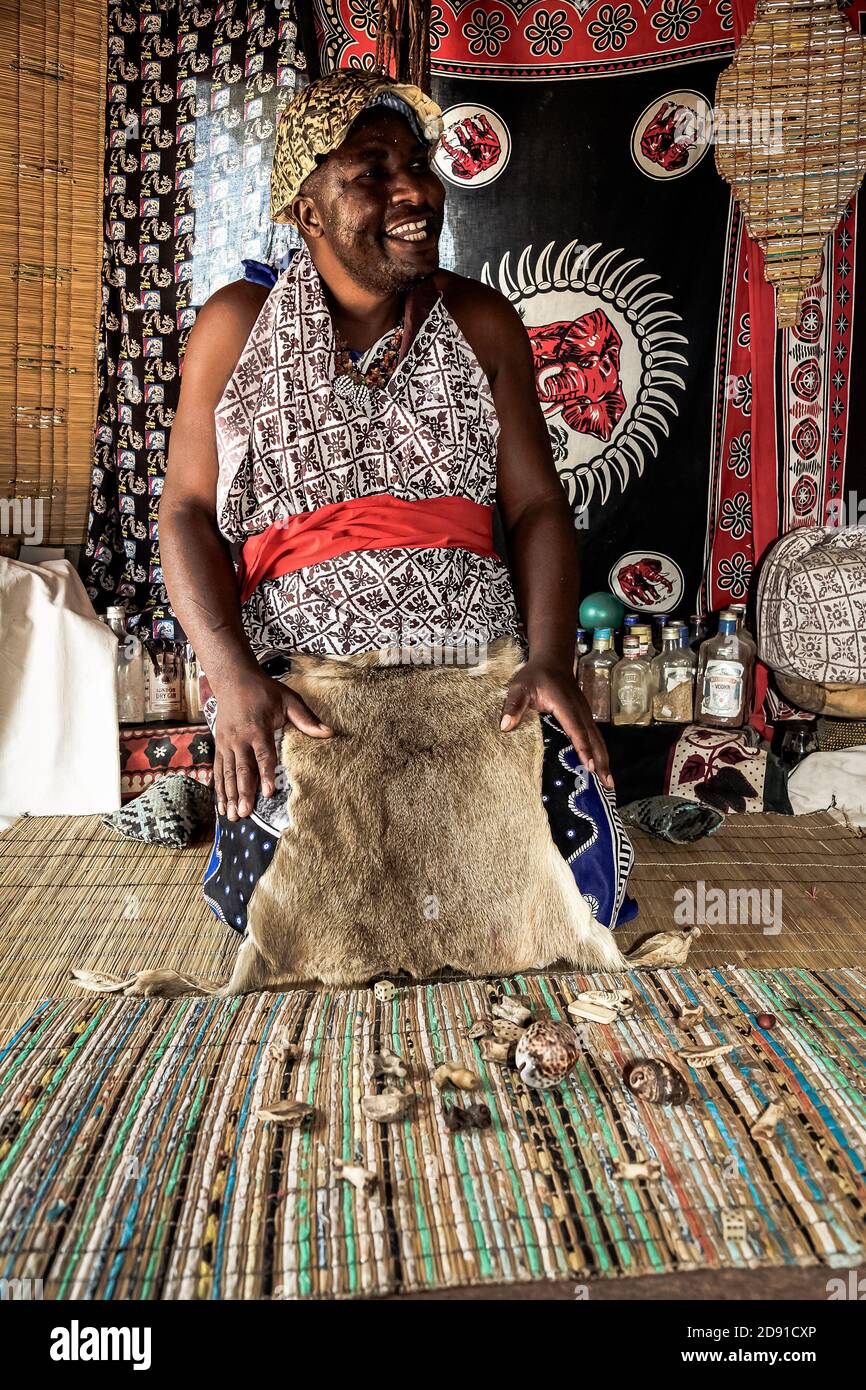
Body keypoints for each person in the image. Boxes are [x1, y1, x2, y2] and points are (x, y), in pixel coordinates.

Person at [160, 69, 633, 936]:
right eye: (371, 171)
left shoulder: (481, 321)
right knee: (271, 913)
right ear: (306, 210)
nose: (414, 188)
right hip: (304, 684)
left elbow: (534, 510)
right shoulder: (237, 323)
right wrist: (232, 678)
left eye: (418, 162)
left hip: (472, 676)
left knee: (578, 895)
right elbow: (186, 513)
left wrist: (550, 659)